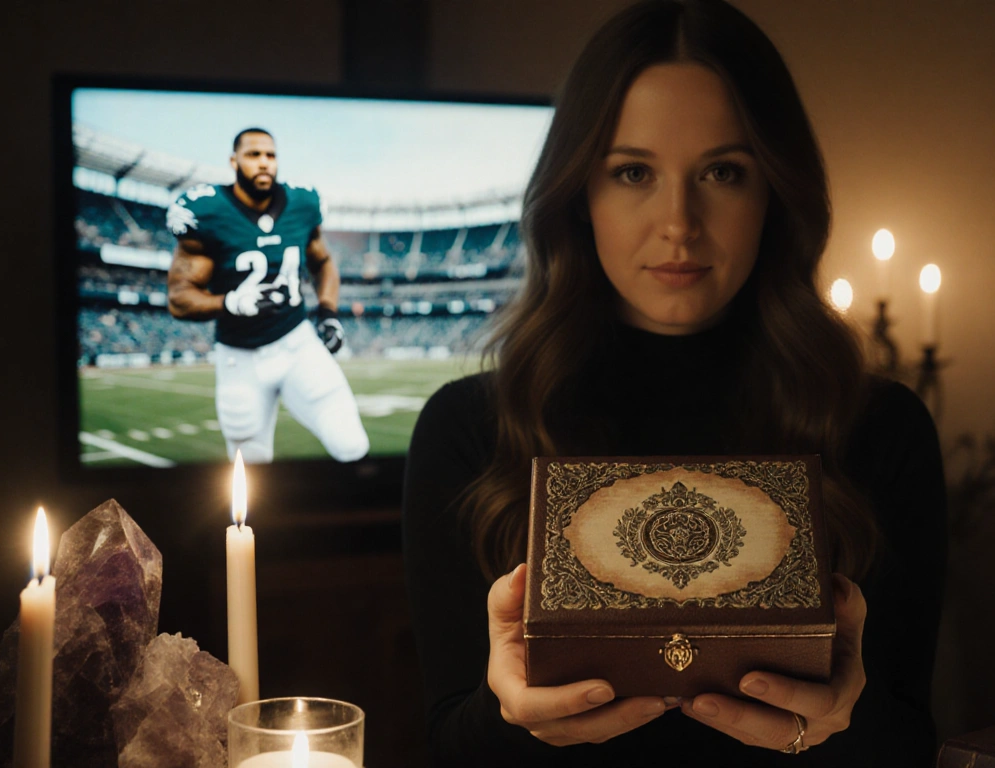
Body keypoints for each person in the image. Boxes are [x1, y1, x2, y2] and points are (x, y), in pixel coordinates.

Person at [402, 1, 946, 765]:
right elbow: (447, 748)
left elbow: (911, 745)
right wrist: (511, 714)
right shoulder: (470, 429)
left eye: (724, 172)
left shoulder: (880, 427)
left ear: (775, 194)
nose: (680, 222)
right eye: (633, 172)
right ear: (578, 195)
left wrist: (842, 718)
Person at [165, 128, 369, 464]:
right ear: (234, 161)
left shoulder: (302, 204)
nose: (264, 163)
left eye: (270, 155)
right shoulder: (206, 211)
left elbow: (324, 261)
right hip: (239, 358)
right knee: (251, 469)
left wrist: (328, 311)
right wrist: (230, 303)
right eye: (253, 155)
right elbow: (179, 297)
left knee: (351, 444)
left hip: (298, 343)